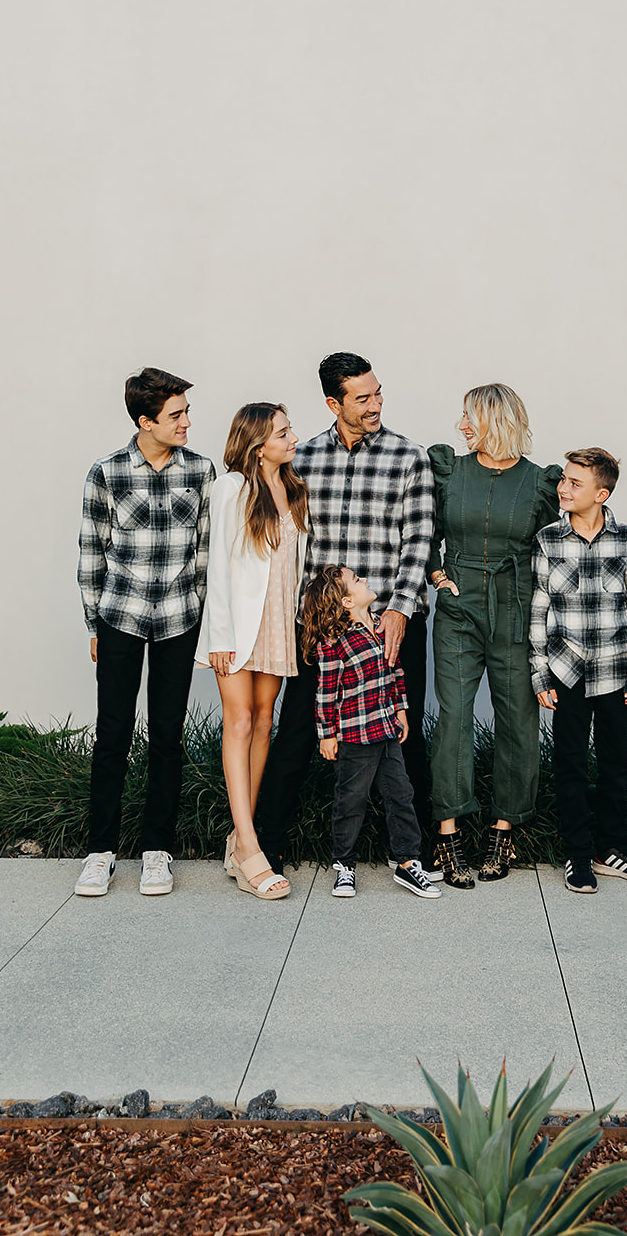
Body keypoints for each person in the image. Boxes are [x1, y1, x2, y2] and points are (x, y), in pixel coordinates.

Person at [257, 353, 435, 874]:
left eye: (378, 393)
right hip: (321, 627)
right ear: (334, 404)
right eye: (363, 398)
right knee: (295, 730)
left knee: (404, 731)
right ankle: (267, 847)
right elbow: (292, 546)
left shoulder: (409, 458)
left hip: (390, 622)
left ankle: (414, 851)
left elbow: (418, 540)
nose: (376, 404)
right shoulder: (304, 459)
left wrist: (399, 611)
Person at [76, 367, 214, 898]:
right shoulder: (106, 472)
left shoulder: (199, 470)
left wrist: (201, 619)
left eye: (185, 412)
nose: (186, 422)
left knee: (166, 736)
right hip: (121, 618)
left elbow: (204, 552)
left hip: (180, 618)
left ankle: (158, 851)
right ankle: (100, 852)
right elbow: (92, 551)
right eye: (175, 415)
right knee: (112, 735)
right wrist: (95, 621)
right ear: (145, 420)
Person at [427, 385, 562, 887]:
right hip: (458, 610)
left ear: (495, 419)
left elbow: (555, 551)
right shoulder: (448, 470)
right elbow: (424, 531)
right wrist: (438, 574)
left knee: (518, 722)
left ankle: (504, 828)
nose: (461, 425)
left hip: (517, 611)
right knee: (454, 718)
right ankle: (448, 832)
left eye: (470, 416)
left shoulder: (540, 482)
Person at [530, 447, 627, 894]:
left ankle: (612, 851)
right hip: (566, 673)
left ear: (601, 493)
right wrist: (540, 673)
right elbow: (539, 610)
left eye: (575, 483)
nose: (563, 487)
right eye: (563, 479)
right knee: (570, 766)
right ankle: (578, 855)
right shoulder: (548, 540)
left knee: (615, 765)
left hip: (614, 672)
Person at [201, 403, 308, 901]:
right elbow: (218, 563)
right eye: (282, 432)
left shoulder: (292, 486)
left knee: (264, 720)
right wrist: (219, 634)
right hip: (238, 625)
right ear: (256, 442)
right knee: (239, 720)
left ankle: (239, 838)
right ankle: (248, 845)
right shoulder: (232, 487)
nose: (292, 438)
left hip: (278, 621)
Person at [303, 565, 440, 901]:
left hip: (387, 729)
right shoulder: (334, 642)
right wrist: (326, 734)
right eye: (356, 580)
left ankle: (408, 863)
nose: (364, 579)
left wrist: (402, 710)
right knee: (351, 801)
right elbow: (326, 691)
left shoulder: (379, 627)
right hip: (354, 735)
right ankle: (345, 866)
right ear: (347, 601)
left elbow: (395, 672)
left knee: (401, 795)